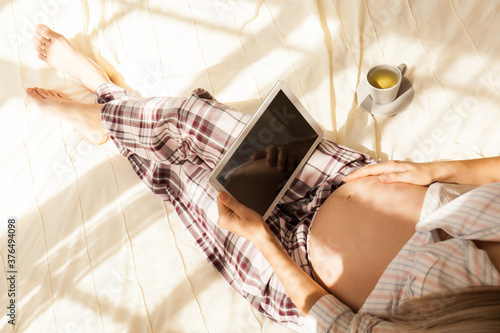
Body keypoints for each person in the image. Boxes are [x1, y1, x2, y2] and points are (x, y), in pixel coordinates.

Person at [28, 24, 500, 332]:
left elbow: (337, 324)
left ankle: (103, 108)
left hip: (292, 266)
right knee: (191, 117)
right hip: (341, 176)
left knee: (185, 177)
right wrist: (440, 169)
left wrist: (261, 238)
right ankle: (107, 103)